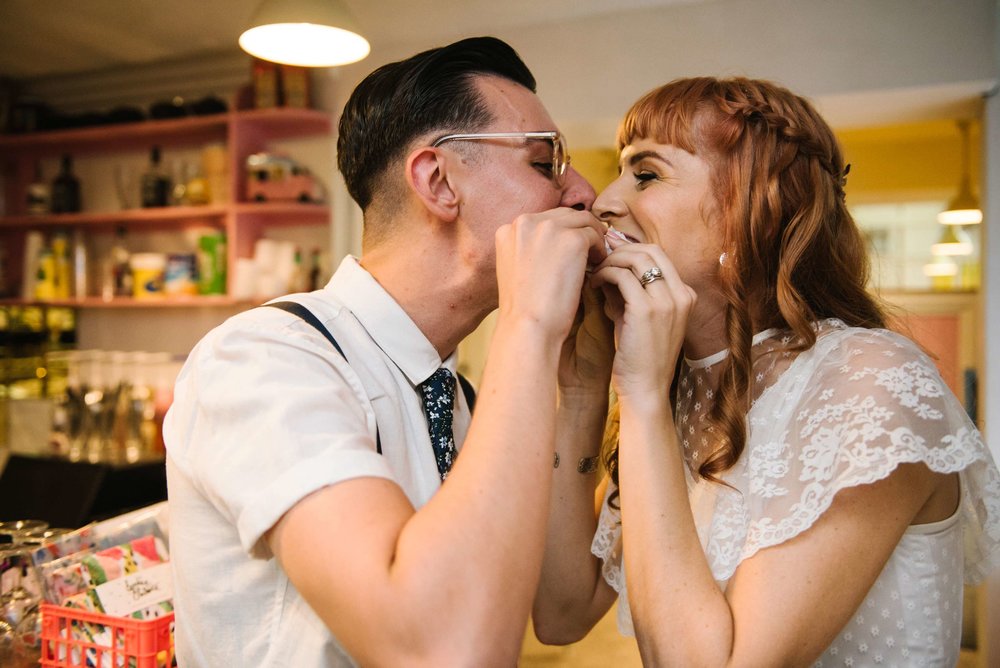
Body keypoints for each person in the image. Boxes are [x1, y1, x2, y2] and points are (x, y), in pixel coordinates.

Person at [163, 36, 608, 667]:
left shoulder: (460, 398)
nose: (584, 193)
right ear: (438, 181)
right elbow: (437, 650)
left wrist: (588, 389)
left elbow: (560, 612)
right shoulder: (265, 358)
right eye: (544, 164)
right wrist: (530, 327)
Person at [531, 76, 1000, 666]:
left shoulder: (868, 381)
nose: (603, 202)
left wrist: (644, 398)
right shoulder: (684, 387)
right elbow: (561, 612)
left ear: (750, 211)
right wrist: (580, 394)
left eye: (646, 174)